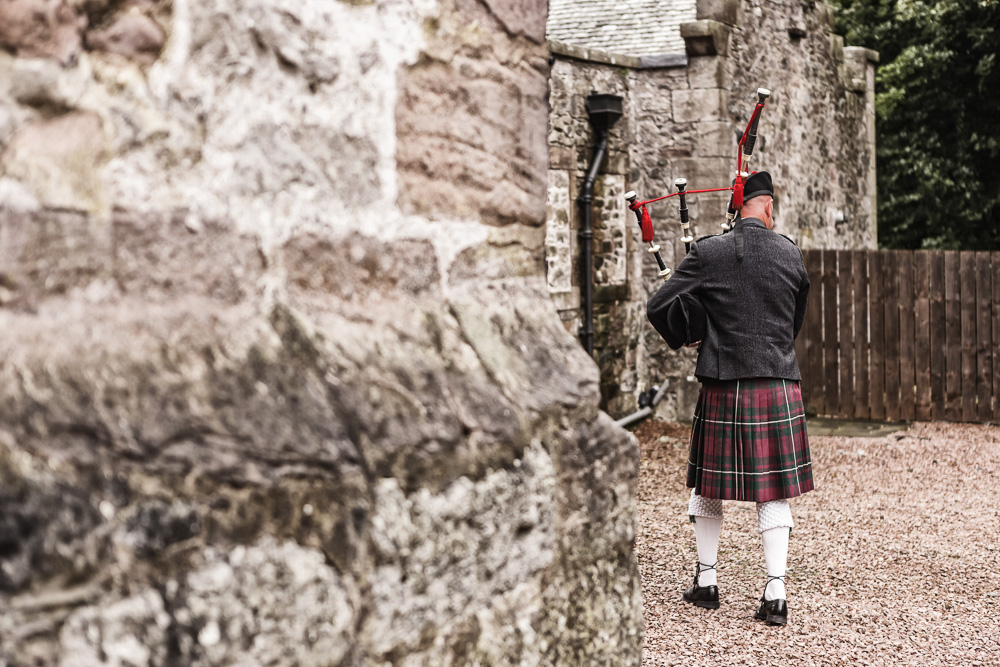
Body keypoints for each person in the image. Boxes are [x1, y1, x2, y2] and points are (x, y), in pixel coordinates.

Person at [646, 171, 813, 626]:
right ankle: (775, 592)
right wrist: (772, 349)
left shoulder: (708, 252)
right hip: (777, 381)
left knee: (708, 487)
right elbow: (794, 318)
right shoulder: (791, 254)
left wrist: (695, 331)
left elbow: (659, 306)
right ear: (768, 208)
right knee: (774, 491)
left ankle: (706, 582)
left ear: (738, 207)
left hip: (723, 383)